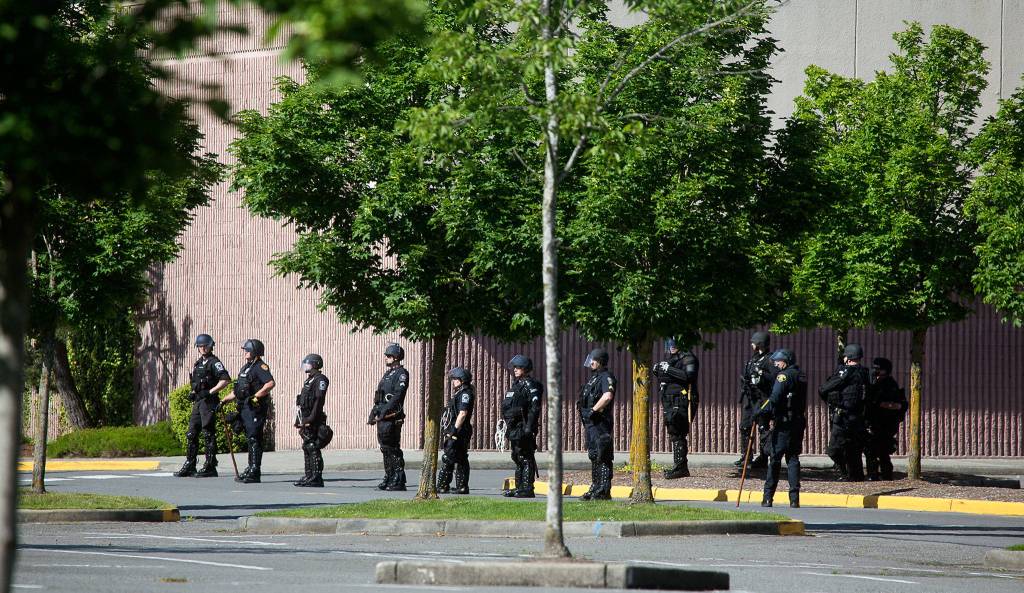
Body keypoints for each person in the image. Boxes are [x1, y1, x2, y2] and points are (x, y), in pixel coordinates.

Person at [756, 348, 807, 508]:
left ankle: (768, 497)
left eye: (778, 361)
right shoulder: (800, 375)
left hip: (784, 423)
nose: (776, 364)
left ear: (786, 361)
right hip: (798, 421)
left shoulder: (783, 376)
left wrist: (760, 412)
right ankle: (794, 499)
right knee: (793, 459)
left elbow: (775, 398)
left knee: (775, 459)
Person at [174, 334, 231, 478]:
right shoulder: (198, 363)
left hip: (209, 401)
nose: (203, 348)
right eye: (200, 346)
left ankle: (210, 465)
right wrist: (193, 392)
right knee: (192, 433)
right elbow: (195, 382)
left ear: (211, 346)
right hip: (199, 401)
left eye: (205, 345)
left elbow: (225, 380)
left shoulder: (214, 362)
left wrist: (210, 392)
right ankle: (190, 464)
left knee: (208, 433)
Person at [219, 339, 275, 483]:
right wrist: (224, 400)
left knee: (254, 439)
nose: (245, 352)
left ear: (255, 351)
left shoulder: (260, 367)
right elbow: (238, 390)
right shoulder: (245, 368)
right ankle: (250, 468)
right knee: (250, 439)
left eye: (247, 350)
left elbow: (270, 383)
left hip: (255, 409)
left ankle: (255, 471)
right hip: (244, 408)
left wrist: (256, 397)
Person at [819, 343, 871, 482]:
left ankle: (844, 472)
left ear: (847, 358)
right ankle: (856, 476)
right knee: (854, 449)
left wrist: (831, 403)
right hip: (859, 418)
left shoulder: (844, 372)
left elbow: (824, 389)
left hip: (843, 418)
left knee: (833, 450)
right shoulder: (866, 373)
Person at [367, 343, 409, 491]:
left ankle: (398, 478)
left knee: (392, 447)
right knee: (384, 448)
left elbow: (398, 395)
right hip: (383, 416)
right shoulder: (387, 374)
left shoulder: (402, 374)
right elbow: (380, 396)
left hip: (392, 416)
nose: (386, 358)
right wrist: (374, 411)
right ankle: (389, 475)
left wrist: (385, 411)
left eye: (389, 356)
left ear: (396, 357)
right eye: (386, 355)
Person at [655, 338, 699, 479]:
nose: (672, 347)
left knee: (678, 431)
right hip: (669, 400)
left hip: (682, 400)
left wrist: (669, 369)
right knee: (674, 431)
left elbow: (689, 376)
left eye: (675, 344)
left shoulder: (688, 358)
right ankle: (679, 466)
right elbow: (663, 375)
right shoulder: (671, 359)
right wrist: (658, 369)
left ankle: (680, 467)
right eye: (669, 344)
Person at [501, 354, 543, 498]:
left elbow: (534, 407)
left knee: (525, 456)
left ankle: (527, 488)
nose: (515, 370)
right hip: (514, 426)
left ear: (525, 369)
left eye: (518, 367)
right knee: (517, 456)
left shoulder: (530, 385)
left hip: (524, 426)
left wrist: (529, 427)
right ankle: (519, 487)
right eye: (515, 367)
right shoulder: (517, 385)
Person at [578, 348, 616, 501]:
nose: (591, 362)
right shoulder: (594, 378)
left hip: (600, 421)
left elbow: (607, 396)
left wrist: (593, 410)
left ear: (601, 361)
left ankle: (603, 490)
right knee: (594, 454)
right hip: (591, 423)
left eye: (594, 360)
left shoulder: (606, 377)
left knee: (603, 454)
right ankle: (595, 487)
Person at [865, 357, 907, 481]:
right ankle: (876, 474)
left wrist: (879, 404)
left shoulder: (889, 384)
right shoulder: (876, 382)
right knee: (874, 450)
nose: (875, 371)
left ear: (885, 370)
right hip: (876, 422)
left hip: (884, 423)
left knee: (879, 450)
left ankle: (882, 475)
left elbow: (896, 404)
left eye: (878, 369)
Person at [736, 331, 773, 469]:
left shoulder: (769, 359)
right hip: (750, 398)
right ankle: (746, 457)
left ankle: (764, 458)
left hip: (762, 398)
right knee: (745, 426)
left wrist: (762, 375)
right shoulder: (753, 359)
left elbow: (773, 378)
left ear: (759, 344)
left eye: (754, 342)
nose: (751, 345)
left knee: (763, 427)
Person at [294, 353, 330, 487]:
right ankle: (308, 475)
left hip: (314, 418)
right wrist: (299, 419)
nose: (305, 366)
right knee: (306, 446)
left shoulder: (321, 379)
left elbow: (318, 401)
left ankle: (316, 477)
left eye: (308, 363)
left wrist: (311, 418)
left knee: (312, 446)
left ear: (315, 364)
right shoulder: (309, 380)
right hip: (306, 418)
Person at [437, 367, 475, 494]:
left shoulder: (465, 394)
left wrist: (454, 430)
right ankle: (462, 487)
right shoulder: (460, 392)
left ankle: (442, 485)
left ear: (462, 380)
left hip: (459, 430)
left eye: (455, 379)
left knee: (449, 457)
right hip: (458, 429)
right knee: (460, 458)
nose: (453, 381)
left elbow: (463, 413)